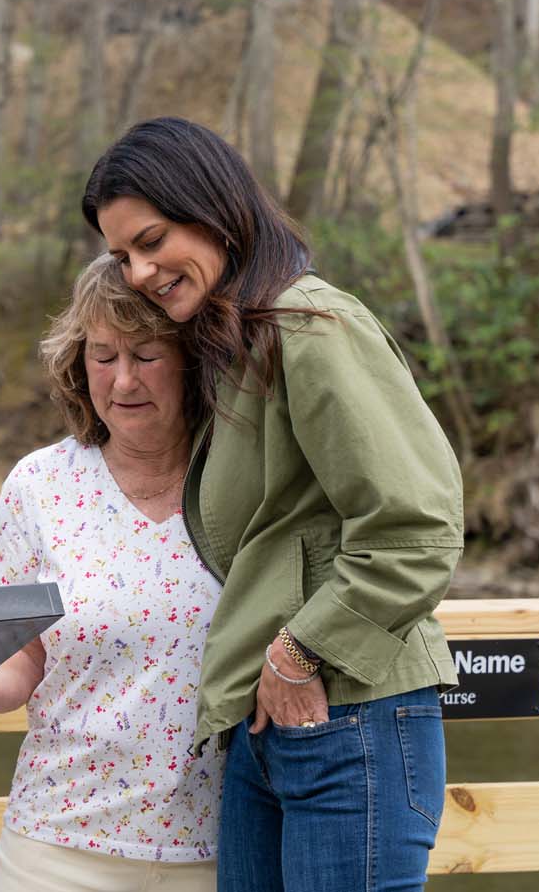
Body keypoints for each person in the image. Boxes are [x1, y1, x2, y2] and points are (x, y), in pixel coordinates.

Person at [82, 116, 463, 892]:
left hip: (349, 715)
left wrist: (297, 654)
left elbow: (416, 530)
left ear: (213, 209)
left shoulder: (310, 327)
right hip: (270, 722)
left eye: (151, 241)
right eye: (122, 256)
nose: (140, 272)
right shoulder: (241, 345)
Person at [0, 254, 224, 892]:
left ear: (194, 361)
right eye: (103, 356)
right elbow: (22, 655)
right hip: (56, 846)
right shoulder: (40, 486)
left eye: (147, 355)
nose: (123, 380)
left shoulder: (240, 479)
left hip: (217, 846)